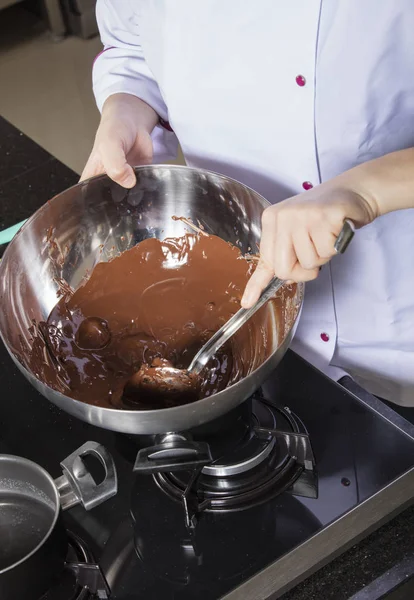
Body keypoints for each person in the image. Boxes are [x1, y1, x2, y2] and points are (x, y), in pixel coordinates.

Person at [82, 0, 414, 406]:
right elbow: (133, 41)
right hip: (245, 301)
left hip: (399, 306)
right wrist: (127, 109)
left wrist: (367, 190)